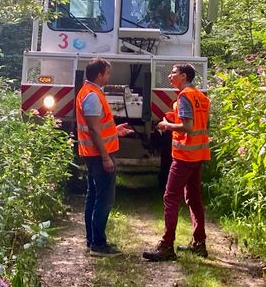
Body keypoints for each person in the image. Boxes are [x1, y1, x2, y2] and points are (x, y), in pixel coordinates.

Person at [142, 63, 211, 261]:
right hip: (198, 155)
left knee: (171, 198)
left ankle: (166, 246)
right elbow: (199, 124)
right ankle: (199, 243)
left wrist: (167, 125)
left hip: (184, 157)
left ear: (183, 76)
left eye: (173, 73)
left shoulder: (184, 96)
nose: (170, 76)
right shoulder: (201, 97)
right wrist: (175, 118)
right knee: (194, 199)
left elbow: (188, 127)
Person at [76, 57, 133, 257]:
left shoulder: (90, 92)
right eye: (107, 73)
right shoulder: (92, 95)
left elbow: (97, 126)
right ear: (99, 74)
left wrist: (114, 130)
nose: (109, 76)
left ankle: (92, 240)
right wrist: (105, 157)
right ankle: (98, 245)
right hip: (98, 155)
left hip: (92, 154)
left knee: (93, 196)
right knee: (104, 199)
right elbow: (92, 128)